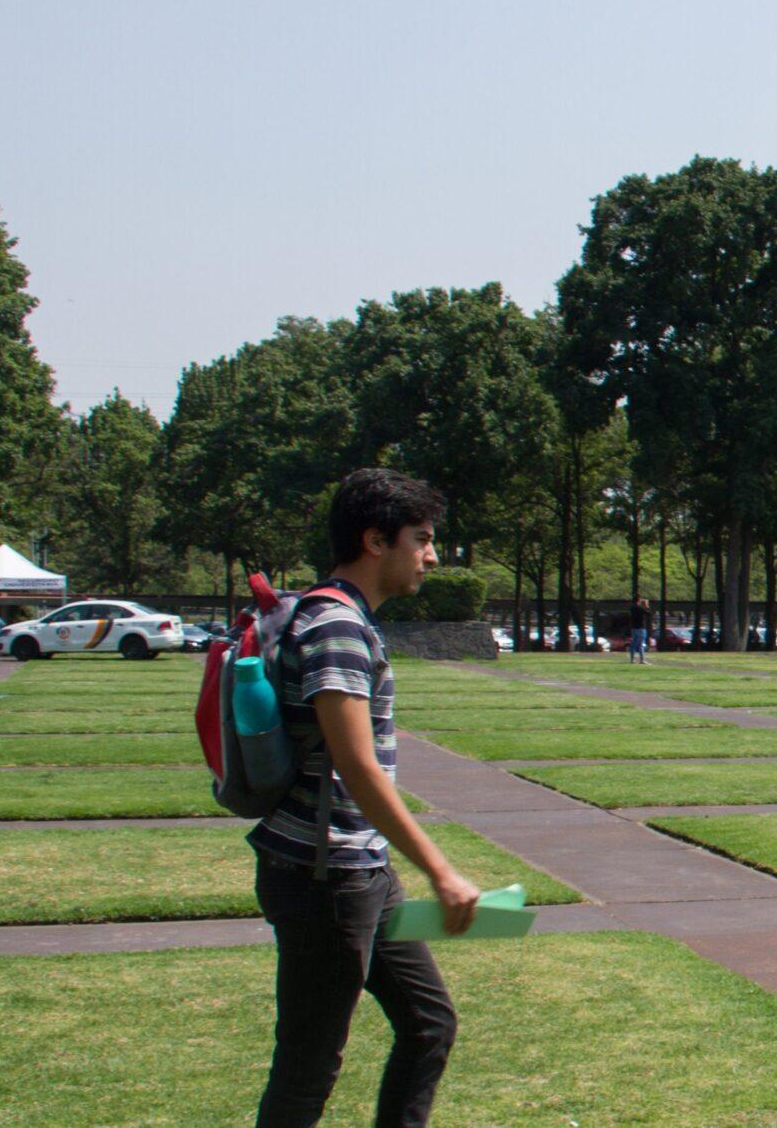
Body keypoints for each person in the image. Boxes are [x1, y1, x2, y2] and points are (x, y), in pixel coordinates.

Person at [249, 468, 478, 1128]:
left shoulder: (342, 619)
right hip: (324, 878)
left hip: (359, 870)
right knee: (306, 1070)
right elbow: (356, 766)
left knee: (428, 1021)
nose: (431, 556)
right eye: (422, 539)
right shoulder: (336, 626)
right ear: (376, 539)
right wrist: (440, 868)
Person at [628, 597, 652, 665]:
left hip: (633, 628)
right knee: (641, 644)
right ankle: (642, 660)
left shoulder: (632, 608)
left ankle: (632, 659)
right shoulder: (640, 608)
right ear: (638, 600)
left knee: (633, 643)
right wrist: (646, 605)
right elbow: (648, 613)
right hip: (641, 628)